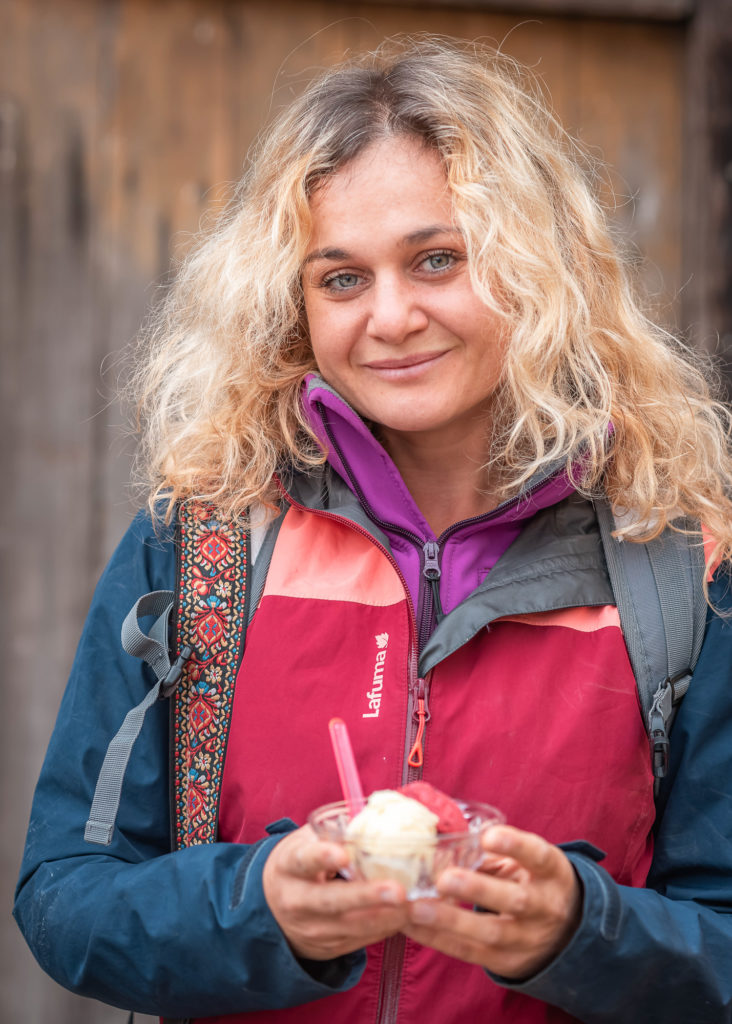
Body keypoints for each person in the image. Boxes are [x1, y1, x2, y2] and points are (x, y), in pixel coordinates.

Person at [14, 34, 732, 1024]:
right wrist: (257, 907)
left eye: (437, 259)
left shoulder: (683, 563)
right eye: (341, 278)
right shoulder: (202, 545)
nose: (390, 316)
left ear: (536, 267)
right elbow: (63, 897)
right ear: (294, 303)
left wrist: (583, 929)